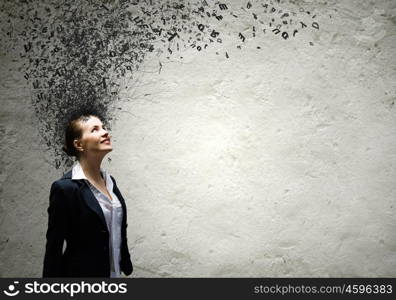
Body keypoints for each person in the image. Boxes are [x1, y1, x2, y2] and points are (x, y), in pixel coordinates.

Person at [43, 113, 133, 277]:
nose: (105, 132)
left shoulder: (110, 181)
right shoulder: (65, 189)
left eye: (104, 127)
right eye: (95, 129)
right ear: (79, 144)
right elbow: (54, 248)